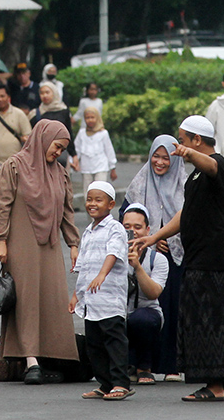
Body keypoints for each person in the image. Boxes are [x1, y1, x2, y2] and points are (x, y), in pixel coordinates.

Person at [132, 115, 224, 402]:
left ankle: (216, 385)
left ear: (196, 140)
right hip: (205, 257)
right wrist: (155, 236)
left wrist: (189, 153)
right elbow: (186, 214)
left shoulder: (214, 165)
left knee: (212, 321)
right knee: (215, 320)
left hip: (213, 258)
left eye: (182, 139)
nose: (178, 145)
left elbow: (212, 163)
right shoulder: (195, 177)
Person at [0, 120, 80, 383]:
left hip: (50, 245)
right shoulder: (14, 166)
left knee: (53, 300)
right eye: (56, 146)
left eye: (63, 148)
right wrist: (0, 239)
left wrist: (73, 244)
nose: (58, 153)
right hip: (20, 245)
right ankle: (31, 360)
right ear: (43, 139)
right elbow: (2, 205)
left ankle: (52, 356)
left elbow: (66, 211)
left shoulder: (60, 172)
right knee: (27, 301)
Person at [122, 135, 184, 381]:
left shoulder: (184, 184)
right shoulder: (139, 182)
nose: (159, 162)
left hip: (175, 257)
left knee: (172, 310)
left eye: (165, 158)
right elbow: (125, 218)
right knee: (140, 308)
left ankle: (171, 365)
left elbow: (191, 218)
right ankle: (140, 365)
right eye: (155, 156)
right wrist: (147, 239)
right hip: (141, 258)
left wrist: (166, 237)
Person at [71, 182, 132, 401]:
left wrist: (102, 274)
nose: (92, 204)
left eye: (98, 200)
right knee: (94, 343)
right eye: (89, 200)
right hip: (91, 302)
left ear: (111, 204)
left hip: (109, 298)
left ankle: (120, 383)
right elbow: (83, 266)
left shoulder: (115, 228)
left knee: (114, 341)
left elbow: (113, 253)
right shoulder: (88, 231)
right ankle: (105, 383)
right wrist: (76, 295)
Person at [120, 204, 167, 386]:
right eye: (127, 227)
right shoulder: (113, 256)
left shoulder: (158, 259)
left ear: (148, 230)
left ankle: (144, 368)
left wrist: (137, 267)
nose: (133, 232)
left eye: (138, 228)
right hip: (119, 312)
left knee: (141, 319)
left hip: (146, 313)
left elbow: (154, 292)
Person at [70, 106, 117, 193]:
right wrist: (74, 163)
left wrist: (112, 168)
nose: (90, 120)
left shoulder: (103, 133)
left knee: (100, 190)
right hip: (86, 167)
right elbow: (77, 150)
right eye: (87, 118)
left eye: (92, 117)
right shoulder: (82, 133)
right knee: (87, 192)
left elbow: (109, 150)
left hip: (101, 167)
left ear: (97, 118)